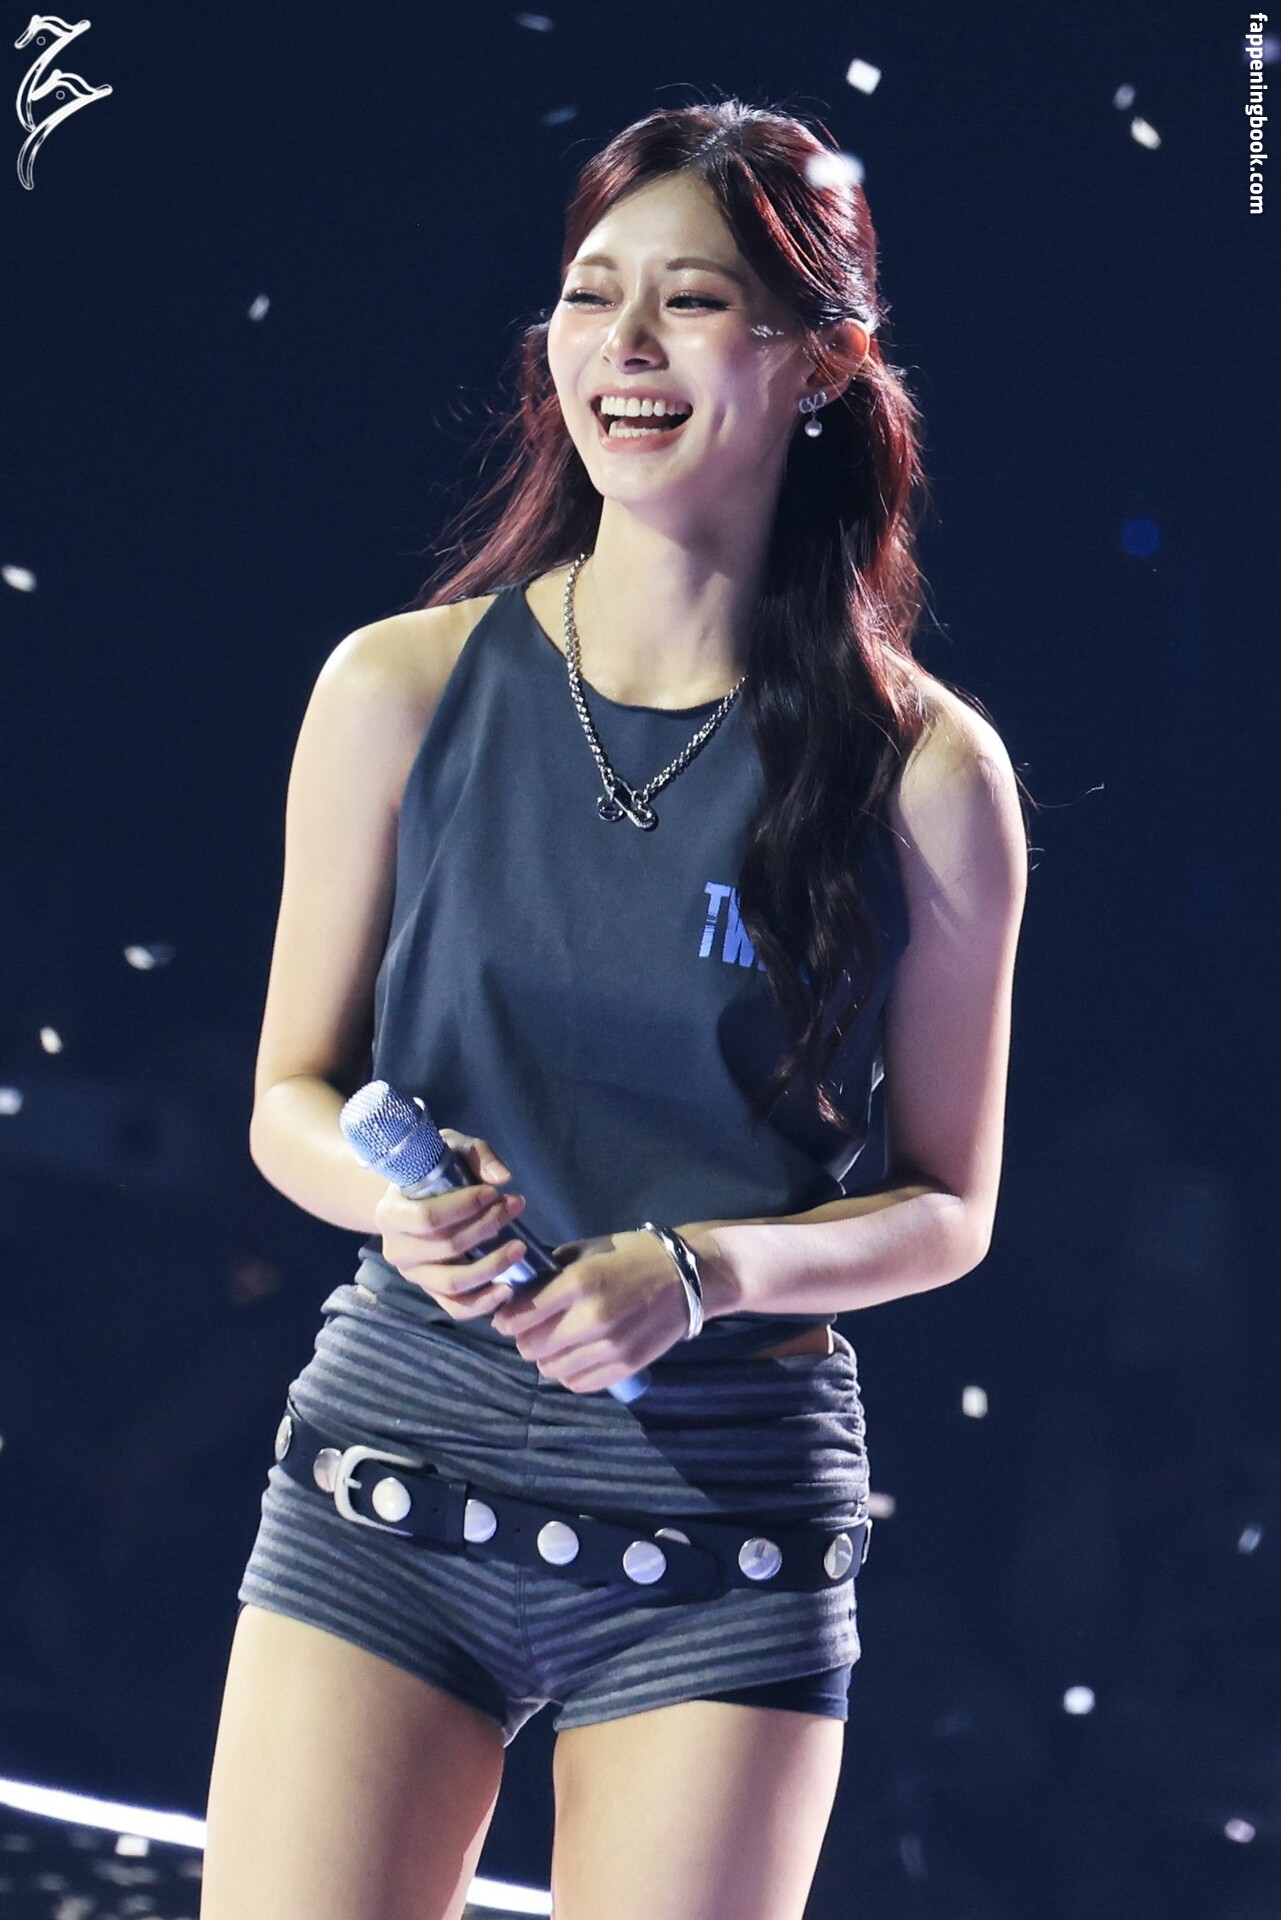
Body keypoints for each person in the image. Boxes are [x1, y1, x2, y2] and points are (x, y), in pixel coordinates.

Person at [200, 98, 1029, 1920]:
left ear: (820, 362)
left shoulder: (924, 771)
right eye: (590, 294)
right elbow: (288, 1095)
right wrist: (395, 1206)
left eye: (693, 300)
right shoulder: (399, 686)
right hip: (397, 1463)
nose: (623, 345)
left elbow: (948, 1206)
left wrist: (698, 1271)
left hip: (724, 1523)